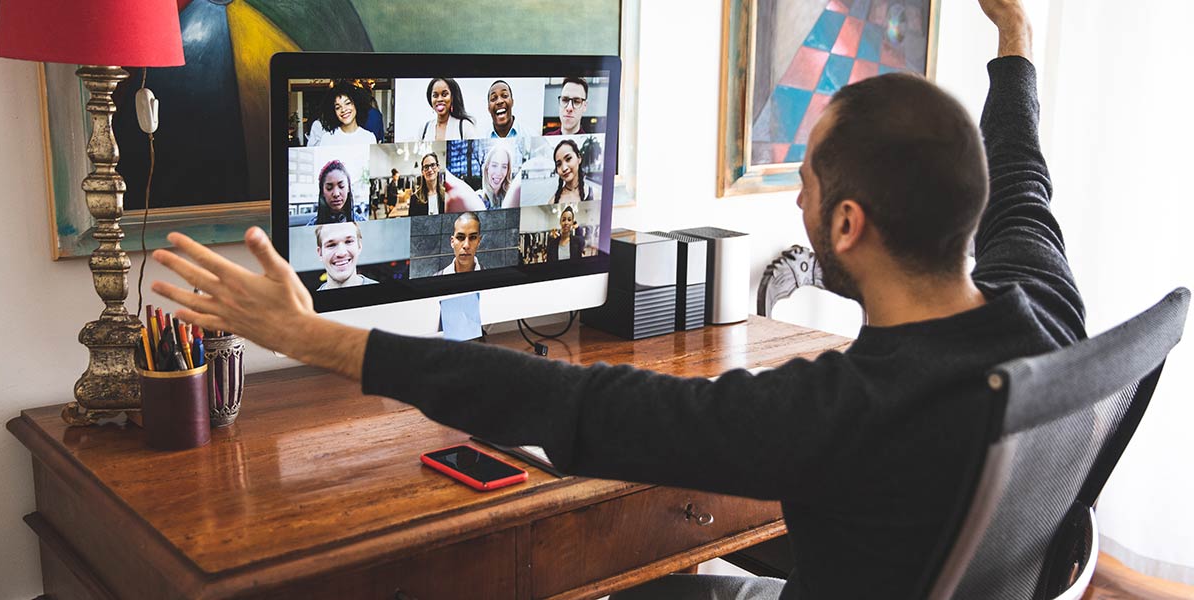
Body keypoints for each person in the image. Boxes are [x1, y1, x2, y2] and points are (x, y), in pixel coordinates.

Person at [151, 3, 1078, 596]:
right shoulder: (1045, 311)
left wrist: (312, 338)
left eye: (804, 182)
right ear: (972, 203)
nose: (791, 200)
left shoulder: (840, 414)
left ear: (845, 226)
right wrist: (1015, 45)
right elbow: (1026, 180)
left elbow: (572, 404)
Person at [306, 82, 378, 147]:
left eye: (347, 103)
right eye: (338, 107)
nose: (343, 110)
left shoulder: (369, 138)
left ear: (356, 105)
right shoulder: (327, 138)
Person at [315, 222, 378, 290]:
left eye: (348, 241)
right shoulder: (309, 300)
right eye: (331, 245)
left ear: (359, 246)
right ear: (320, 253)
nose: (341, 253)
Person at [308, 160, 366, 226]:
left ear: (349, 188)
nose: (336, 194)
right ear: (322, 192)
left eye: (341, 186)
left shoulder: (362, 223)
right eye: (329, 188)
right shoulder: (312, 227)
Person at [551, 139, 597, 204]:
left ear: (579, 158)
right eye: (559, 164)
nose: (564, 168)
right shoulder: (553, 201)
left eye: (568, 159)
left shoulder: (595, 193)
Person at [478, 143, 516, 209]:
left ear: (508, 171)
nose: (499, 172)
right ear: (487, 168)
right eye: (494, 165)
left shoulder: (511, 198)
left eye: (504, 167)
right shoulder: (477, 199)